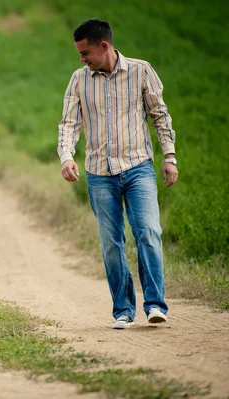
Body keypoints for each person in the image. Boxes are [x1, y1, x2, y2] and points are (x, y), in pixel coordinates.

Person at [57, 19, 178, 329]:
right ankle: (123, 310)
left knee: (148, 233)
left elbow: (159, 116)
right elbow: (69, 124)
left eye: (85, 53)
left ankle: (154, 304)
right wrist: (66, 156)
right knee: (112, 243)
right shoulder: (78, 80)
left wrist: (170, 157)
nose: (81, 59)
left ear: (104, 46)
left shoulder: (141, 71)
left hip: (138, 168)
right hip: (99, 173)